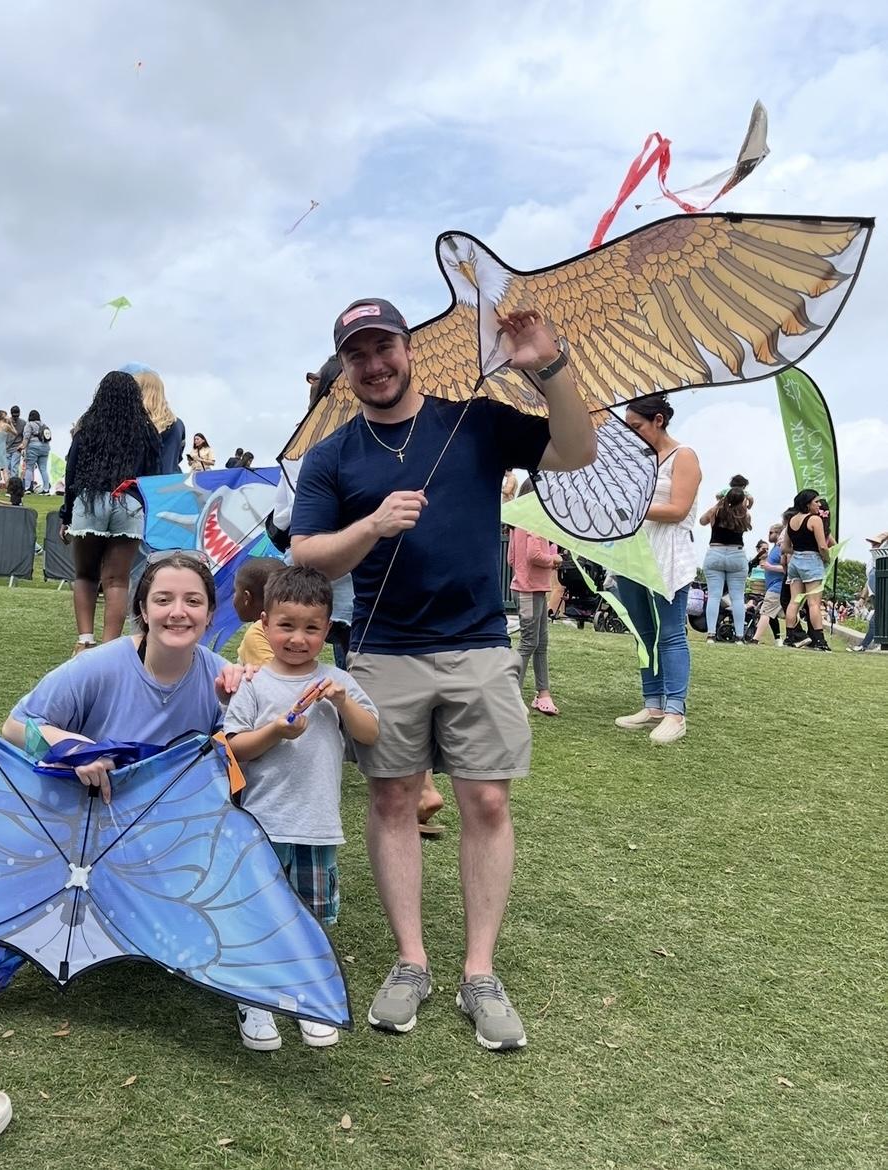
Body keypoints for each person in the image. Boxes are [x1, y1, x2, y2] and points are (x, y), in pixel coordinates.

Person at [291, 297, 596, 1051]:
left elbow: (576, 450)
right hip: (384, 649)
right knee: (393, 798)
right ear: (345, 368)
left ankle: (480, 973)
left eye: (384, 347)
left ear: (409, 348)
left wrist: (551, 368)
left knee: (486, 801)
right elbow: (306, 554)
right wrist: (371, 525)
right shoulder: (333, 455)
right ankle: (411, 960)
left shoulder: (476, 421)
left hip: (479, 644)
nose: (374, 365)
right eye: (358, 355)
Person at [224, 566, 379, 1050]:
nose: (298, 638)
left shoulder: (337, 681)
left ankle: (305, 995)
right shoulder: (255, 684)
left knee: (312, 918)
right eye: (286, 626)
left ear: (328, 629)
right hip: (261, 826)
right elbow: (234, 747)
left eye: (311, 628)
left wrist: (342, 702)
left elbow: (370, 733)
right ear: (265, 624)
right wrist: (276, 730)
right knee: (260, 912)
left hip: (317, 825)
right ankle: (255, 997)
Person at [2, 550, 252, 787]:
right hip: (93, 806)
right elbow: (14, 727)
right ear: (144, 610)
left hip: (180, 812)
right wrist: (76, 750)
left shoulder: (223, 677)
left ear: (209, 614)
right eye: (163, 600)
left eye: (193, 601)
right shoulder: (97, 667)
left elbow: (241, 759)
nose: (178, 612)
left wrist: (250, 693)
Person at [615, 394, 701, 742]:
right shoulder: (641, 459)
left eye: (637, 426)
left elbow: (679, 509)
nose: (632, 433)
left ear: (659, 421)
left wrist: (634, 508)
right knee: (643, 633)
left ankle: (675, 712)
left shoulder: (684, 456)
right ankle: (653, 704)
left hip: (668, 552)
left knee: (671, 632)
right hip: (634, 550)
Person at [60, 371, 161, 651]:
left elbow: (71, 473)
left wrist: (66, 515)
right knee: (117, 580)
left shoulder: (87, 429)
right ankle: (110, 648)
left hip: (90, 501)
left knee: (85, 575)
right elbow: (154, 477)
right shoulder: (146, 433)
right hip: (129, 504)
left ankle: (84, 641)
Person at [507, 481, 562, 715]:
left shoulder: (517, 522)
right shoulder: (535, 521)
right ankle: (512, 695)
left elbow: (511, 558)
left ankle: (543, 693)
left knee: (540, 642)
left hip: (529, 588)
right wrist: (554, 560)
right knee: (530, 642)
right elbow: (534, 554)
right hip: (529, 590)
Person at [699, 474, 752, 644]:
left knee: (714, 596)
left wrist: (719, 503)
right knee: (737, 597)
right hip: (737, 554)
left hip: (715, 552)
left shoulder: (716, 511)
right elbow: (748, 507)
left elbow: (702, 521)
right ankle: (739, 636)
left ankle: (711, 634)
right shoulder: (744, 515)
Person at [781, 489, 832, 651]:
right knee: (813, 603)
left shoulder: (792, 520)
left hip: (795, 562)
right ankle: (820, 640)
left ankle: (790, 637)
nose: (819, 505)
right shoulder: (815, 520)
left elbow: (785, 547)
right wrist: (827, 558)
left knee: (794, 601)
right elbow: (822, 546)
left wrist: (797, 552)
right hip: (812, 561)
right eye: (816, 501)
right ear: (808, 504)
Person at [126, 365, 185, 475]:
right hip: (172, 481)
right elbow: (178, 457)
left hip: (142, 483)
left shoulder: (133, 424)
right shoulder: (178, 424)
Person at [233, 557, 284, 666]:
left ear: (246, 597)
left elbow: (271, 674)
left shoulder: (256, 634)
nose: (234, 597)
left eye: (235, 591)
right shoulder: (292, 627)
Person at [751, 526, 786, 646]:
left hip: (777, 586)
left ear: (779, 533)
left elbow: (788, 567)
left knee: (765, 612)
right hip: (773, 587)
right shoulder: (775, 548)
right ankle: (797, 636)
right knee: (780, 614)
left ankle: (755, 639)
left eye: (771, 532)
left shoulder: (781, 548)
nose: (769, 535)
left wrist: (769, 567)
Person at [21, 410, 51, 494]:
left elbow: (26, 436)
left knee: (29, 468)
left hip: (33, 447)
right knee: (43, 469)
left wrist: (23, 447)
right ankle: (46, 489)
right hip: (45, 448)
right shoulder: (44, 425)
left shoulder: (29, 424)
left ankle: (27, 488)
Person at [5, 406, 26, 483]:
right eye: (14, 416)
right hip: (6, 448)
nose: (15, 417)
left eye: (17, 416)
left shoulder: (23, 423)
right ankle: (9, 485)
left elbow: (25, 436)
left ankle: (14, 485)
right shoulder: (6, 422)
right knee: (7, 468)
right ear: (11, 414)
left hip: (17, 448)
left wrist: (22, 445)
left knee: (14, 467)